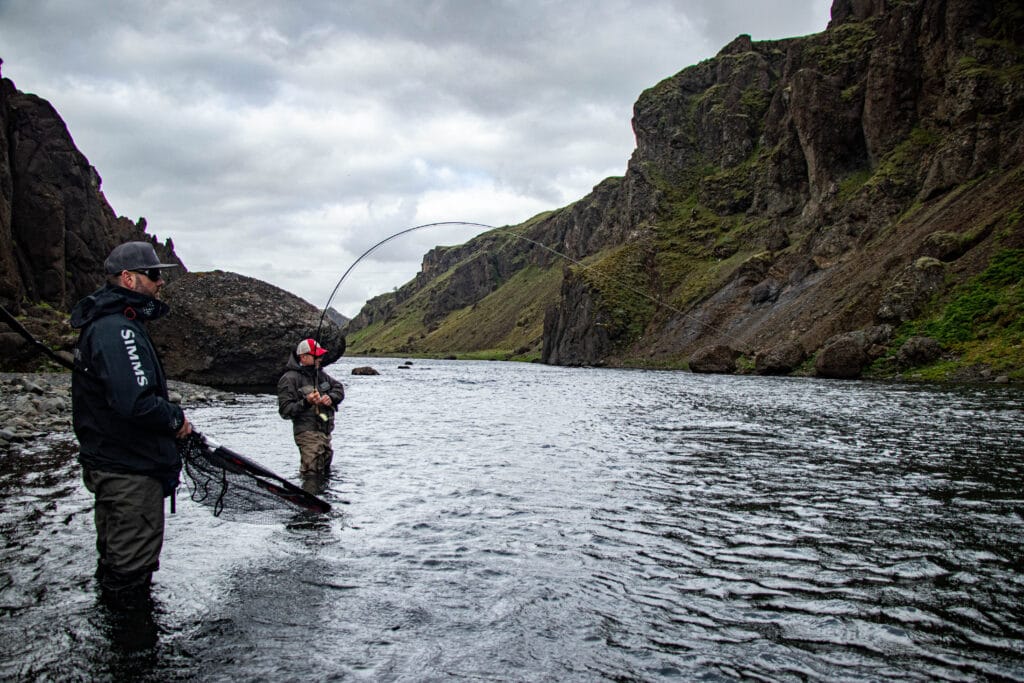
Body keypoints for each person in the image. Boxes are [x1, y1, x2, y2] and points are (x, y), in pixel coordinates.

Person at [70, 241, 191, 608]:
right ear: (128, 278)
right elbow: (135, 402)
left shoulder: (115, 323)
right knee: (130, 576)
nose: (160, 283)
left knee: (116, 566)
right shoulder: (118, 329)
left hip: (116, 465)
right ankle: (130, 652)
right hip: (129, 473)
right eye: (153, 275)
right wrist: (175, 418)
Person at [277, 338, 345, 478]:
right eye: (316, 355)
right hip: (307, 433)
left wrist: (331, 397)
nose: (320, 358)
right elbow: (285, 411)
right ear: (304, 357)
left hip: (325, 433)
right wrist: (306, 402)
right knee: (311, 474)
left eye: (320, 355)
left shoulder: (321, 376)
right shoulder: (289, 379)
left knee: (324, 474)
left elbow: (339, 388)